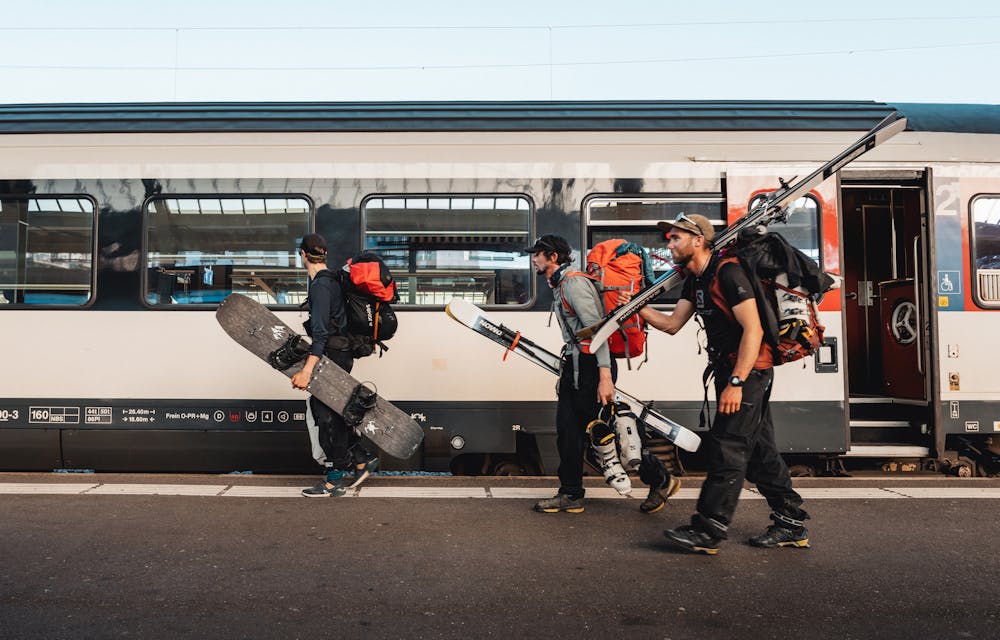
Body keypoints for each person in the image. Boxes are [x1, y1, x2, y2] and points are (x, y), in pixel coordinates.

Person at [630, 213, 810, 554]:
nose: (669, 244)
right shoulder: (695, 280)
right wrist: (635, 307)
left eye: (675, 238)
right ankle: (790, 522)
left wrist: (737, 382)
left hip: (748, 371)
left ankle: (708, 529)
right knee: (758, 449)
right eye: (669, 238)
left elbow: (753, 330)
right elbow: (671, 324)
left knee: (728, 445)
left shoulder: (728, 273)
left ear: (698, 240)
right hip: (730, 371)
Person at [525, 234, 679, 514]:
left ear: (552, 257)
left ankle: (661, 478)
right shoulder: (560, 284)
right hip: (576, 365)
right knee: (568, 432)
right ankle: (570, 493)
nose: (533, 259)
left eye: (537, 254)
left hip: (592, 367)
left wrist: (604, 376)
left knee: (609, 431)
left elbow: (599, 332)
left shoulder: (574, 284)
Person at [291, 233, 379, 497]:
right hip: (342, 355)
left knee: (327, 417)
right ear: (324, 255)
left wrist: (307, 370)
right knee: (333, 413)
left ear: (303, 255)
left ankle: (333, 481)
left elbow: (320, 335)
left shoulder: (319, 286)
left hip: (330, 357)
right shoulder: (335, 280)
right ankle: (362, 459)